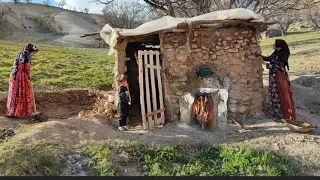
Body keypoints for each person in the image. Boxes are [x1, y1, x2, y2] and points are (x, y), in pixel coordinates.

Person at [256, 39, 296, 121]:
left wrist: (264, 63)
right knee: (274, 94)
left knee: (281, 94)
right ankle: (276, 113)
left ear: (279, 45)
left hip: (279, 77)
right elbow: (269, 58)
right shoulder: (276, 53)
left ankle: (285, 115)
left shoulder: (283, 54)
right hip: (274, 77)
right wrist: (260, 56)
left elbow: (277, 66)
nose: (273, 45)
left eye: (275, 44)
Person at [6, 44, 38, 117]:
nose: (34, 54)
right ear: (31, 51)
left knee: (16, 94)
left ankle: (13, 111)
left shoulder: (19, 54)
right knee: (23, 94)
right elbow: (26, 69)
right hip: (22, 77)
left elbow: (15, 65)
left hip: (14, 76)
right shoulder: (27, 57)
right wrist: (29, 77)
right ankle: (21, 112)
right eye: (34, 53)